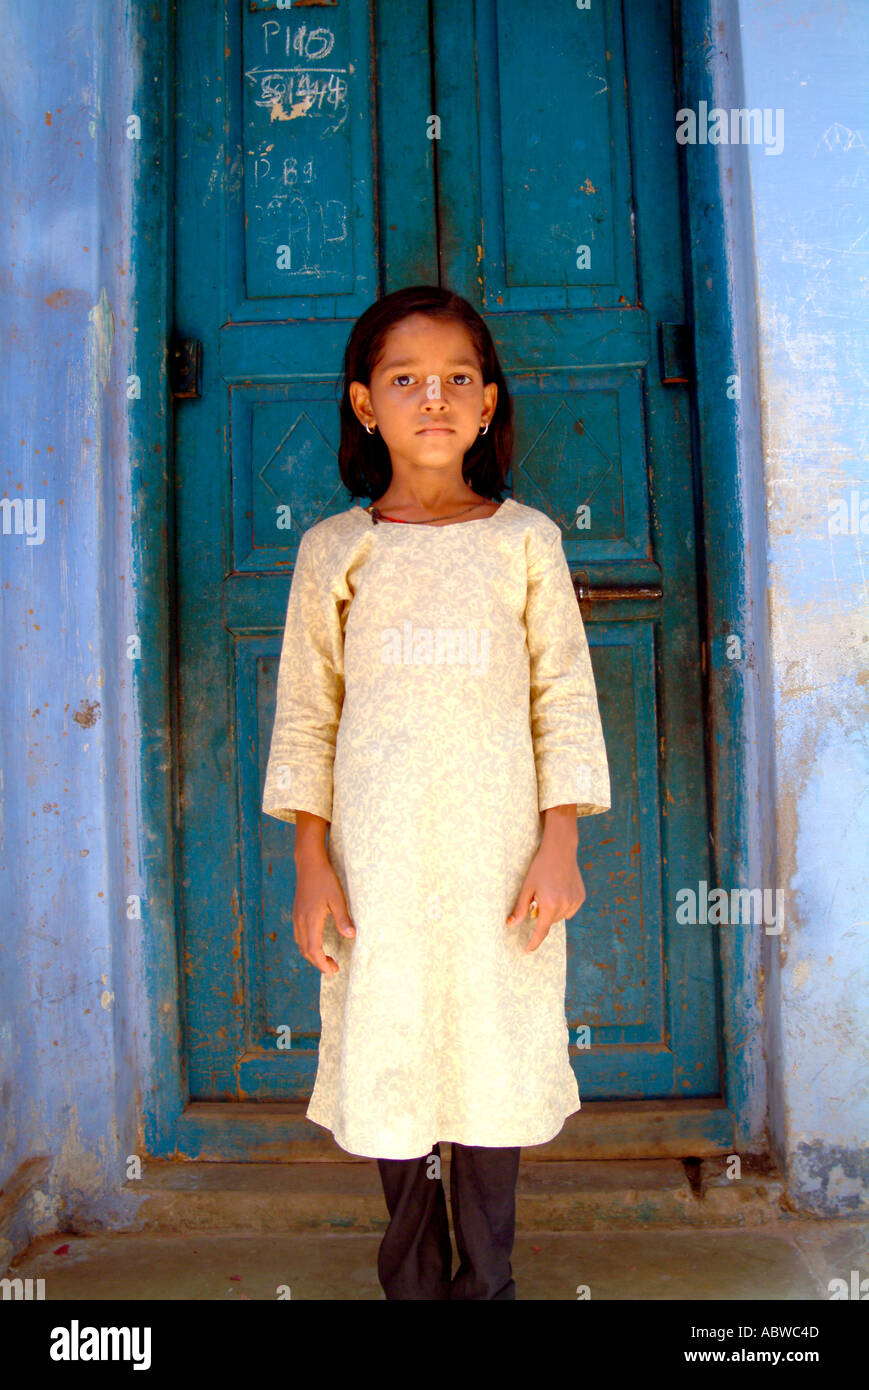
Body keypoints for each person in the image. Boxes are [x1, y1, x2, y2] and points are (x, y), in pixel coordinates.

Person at [262, 285, 611, 1299]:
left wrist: (561, 843)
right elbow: (306, 715)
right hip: (376, 861)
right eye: (405, 379)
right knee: (391, 1051)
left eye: (459, 378)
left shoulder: (523, 541)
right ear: (364, 405)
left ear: (490, 403)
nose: (434, 397)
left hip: (499, 859)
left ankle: (486, 1283)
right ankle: (411, 1281)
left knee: (493, 1054)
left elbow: (562, 697)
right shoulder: (336, 548)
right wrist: (309, 862)